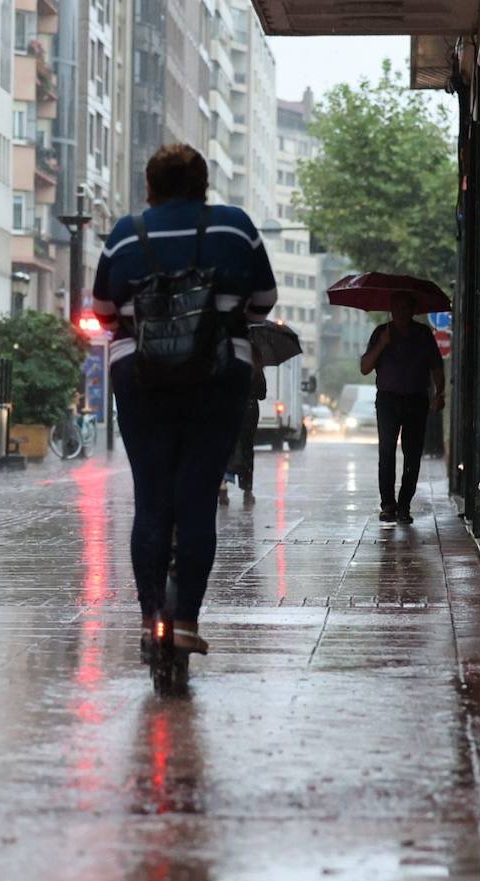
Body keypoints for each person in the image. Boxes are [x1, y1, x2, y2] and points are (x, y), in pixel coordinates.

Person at [92, 144, 278, 655]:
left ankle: (152, 616)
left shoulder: (126, 234)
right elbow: (264, 301)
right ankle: (187, 620)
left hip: (140, 378)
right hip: (218, 376)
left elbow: (104, 311)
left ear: (149, 188)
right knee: (197, 495)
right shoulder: (235, 227)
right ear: (204, 187)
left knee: (152, 495)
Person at [359, 291, 446, 524]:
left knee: (413, 454)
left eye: (405, 307)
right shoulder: (381, 333)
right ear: (391, 309)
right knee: (386, 452)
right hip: (388, 401)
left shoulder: (423, 334)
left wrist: (440, 392)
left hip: (417, 400)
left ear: (413, 310)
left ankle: (404, 504)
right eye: (396, 307)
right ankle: (388, 504)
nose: (400, 312)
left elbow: (436, 366)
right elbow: (365, 367)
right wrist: (382, 345)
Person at [220, 347, 265, 508]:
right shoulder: (256, 362)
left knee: (227, 447)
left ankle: (223, 484)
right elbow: (262, 393)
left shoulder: (229, 356)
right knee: (246, 448)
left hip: (229, 409)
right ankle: (247, 491)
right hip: (250, 411)